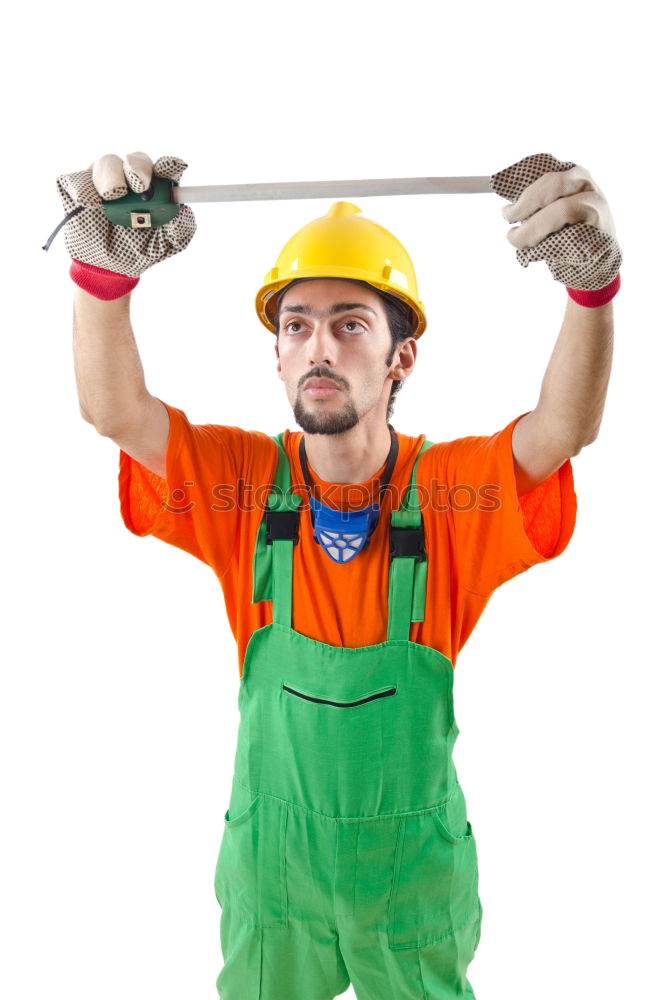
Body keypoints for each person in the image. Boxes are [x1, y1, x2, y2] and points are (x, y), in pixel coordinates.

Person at [59, 150, 621, 999]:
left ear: (402, 358)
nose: (319, 346)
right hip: (272, 877)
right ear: (278, 358)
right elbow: (114, 411)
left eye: (351, 323)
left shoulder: (446, 494)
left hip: (410, 887)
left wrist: (591, 292)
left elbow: (561, 431)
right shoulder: (242, 485)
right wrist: (102, 282)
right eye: (297, 325)